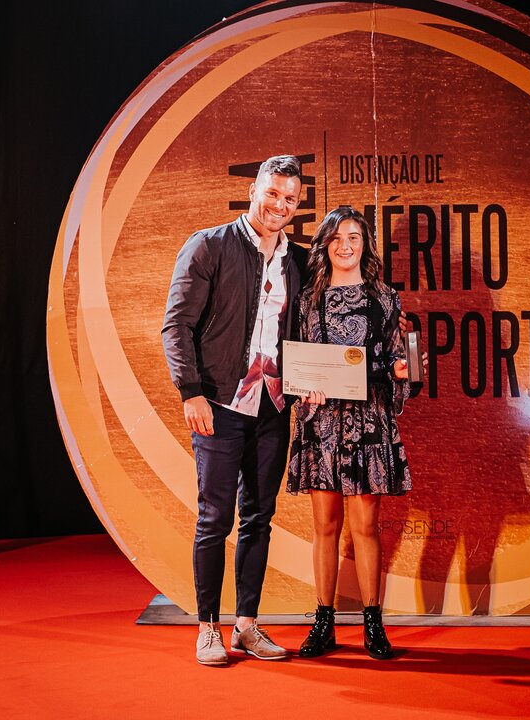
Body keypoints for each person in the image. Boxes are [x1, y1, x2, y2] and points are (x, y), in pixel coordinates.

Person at [162, 154, 309, 666]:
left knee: (259, 517)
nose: (280, 205)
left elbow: (315, 326)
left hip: (273, 405)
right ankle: (208, 627)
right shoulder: (209, 245)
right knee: (214, 517)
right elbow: (176, 325)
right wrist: (191, 392)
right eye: (273, 194)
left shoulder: (299, 261)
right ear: (254, 191)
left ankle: (246, 625)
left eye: (290, 198)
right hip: (220, 402)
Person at [286, 206, 414, 660]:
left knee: (366, 526)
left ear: (365, 244)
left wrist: (403, 370)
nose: (345, 245)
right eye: (337, 237)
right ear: (325, 245)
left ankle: (373, 624)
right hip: (322, 424)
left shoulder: (385, 298)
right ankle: (323, 623)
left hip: (369, 422)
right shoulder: (307, 299)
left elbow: (400, 360)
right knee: (325, 525)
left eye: (354, 237)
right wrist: (305, 389)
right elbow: (296, 362)